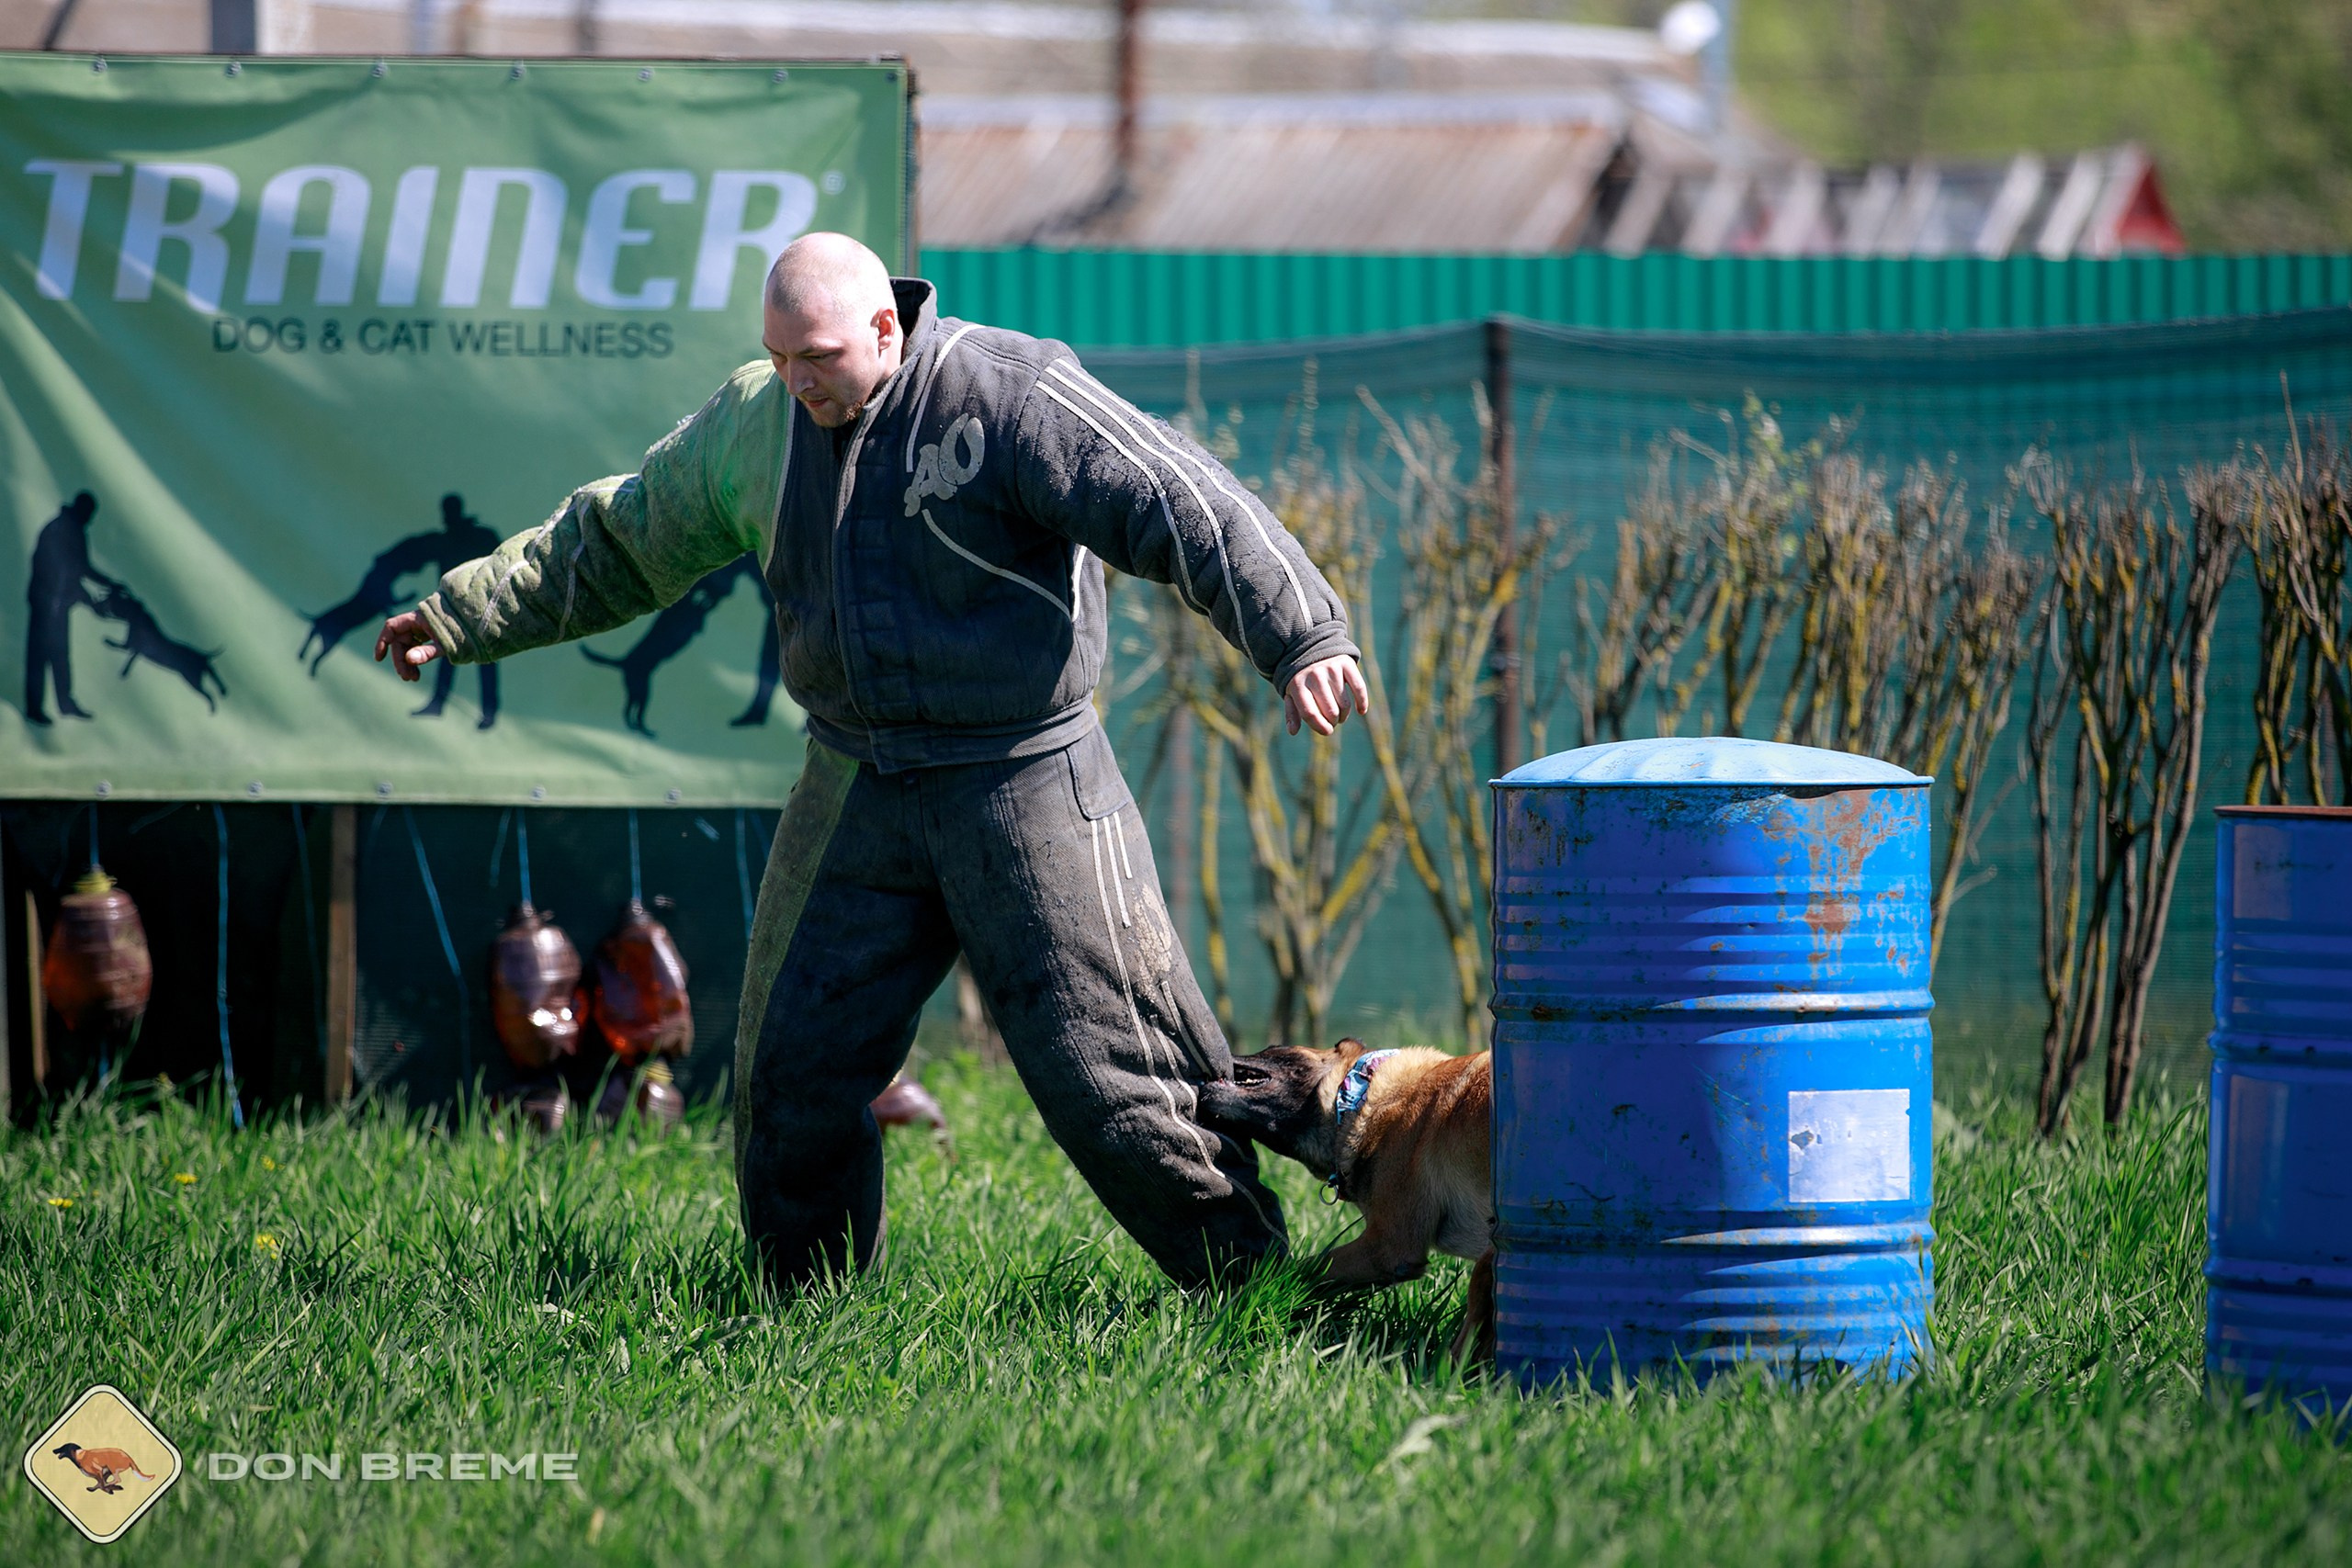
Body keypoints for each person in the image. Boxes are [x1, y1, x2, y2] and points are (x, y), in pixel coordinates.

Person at [377, 233, 1368, 1290]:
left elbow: (1177, 495)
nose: (798, 382)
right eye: (781, 357)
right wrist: (463, 614)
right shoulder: (755, 423)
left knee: (1119, 1081)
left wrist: (1301, 633)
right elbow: (621, 540)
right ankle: (806, 1312)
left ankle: (1253, 1293)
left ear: (887, 329)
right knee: (790, 1072)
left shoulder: (1007, 394)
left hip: (1025, 776)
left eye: (820, 357)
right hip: (853, 781)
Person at [24, 491, 120, 724]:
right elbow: (73, 570)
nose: (91, 519)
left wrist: (104, 587)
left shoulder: (70, 529)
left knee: (57, 653)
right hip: (47, 601)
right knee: (41, 656)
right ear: (81, 509)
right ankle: (36, 708)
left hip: (56, 601)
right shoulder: (63, 530)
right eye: (89, 514)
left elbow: (78, 569)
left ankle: (63, 703)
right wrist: (94, 596)